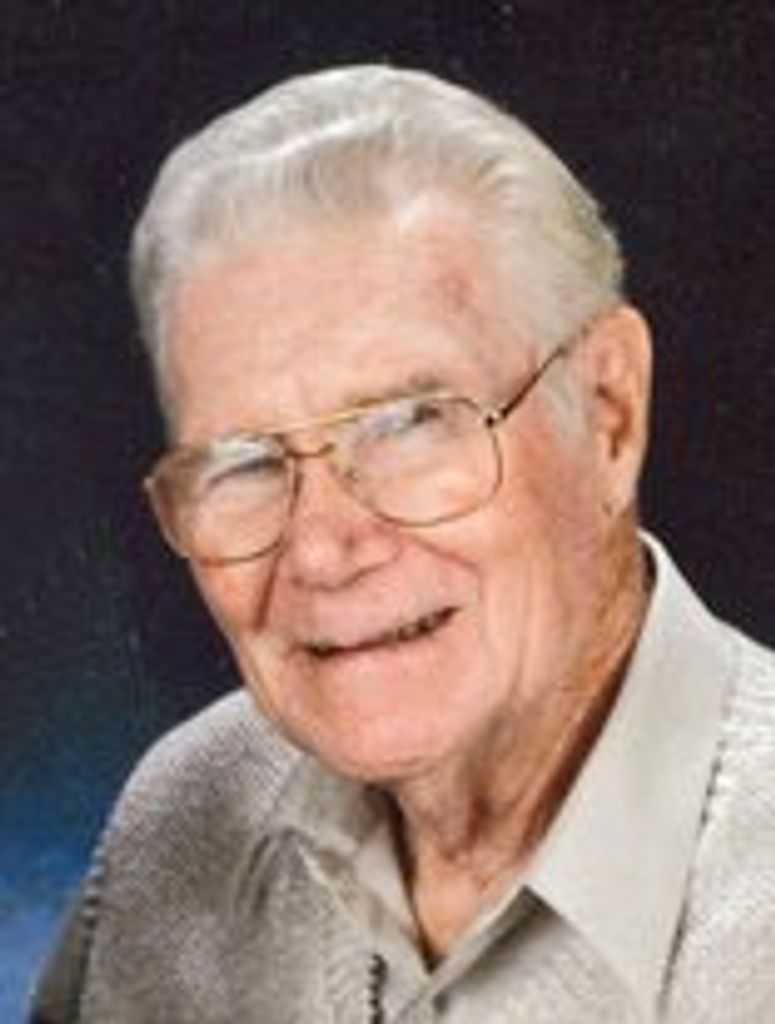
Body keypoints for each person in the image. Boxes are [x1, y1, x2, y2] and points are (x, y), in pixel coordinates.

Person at [32, 65, 775, 1023]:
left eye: (410, 424)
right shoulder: (187, 816)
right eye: (244, 463)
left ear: (607, 414)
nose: (321, 551)